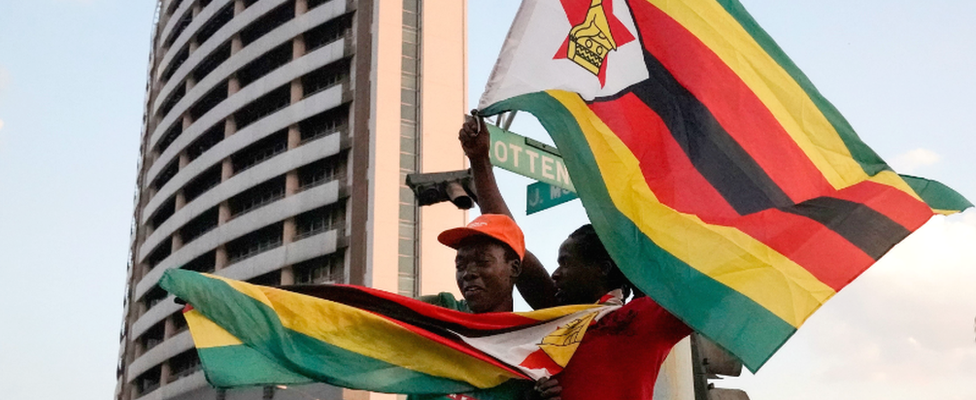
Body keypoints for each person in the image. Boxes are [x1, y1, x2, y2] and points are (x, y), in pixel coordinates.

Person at [459, 111, 692, 400]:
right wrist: (480, 160)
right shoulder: (560, 320)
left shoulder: (644, 319)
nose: (554, 274)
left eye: (565, 263)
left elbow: (702, 279)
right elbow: (509, 237)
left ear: (603, 269)